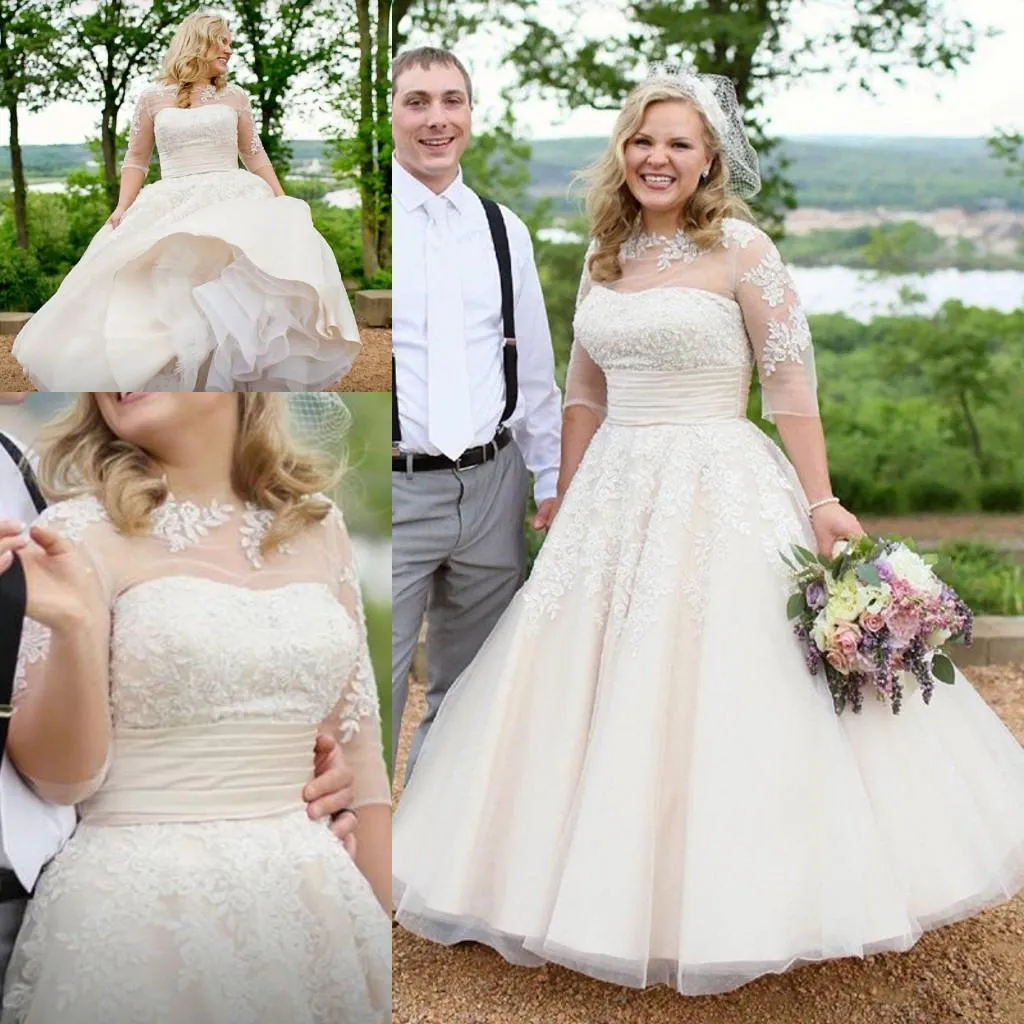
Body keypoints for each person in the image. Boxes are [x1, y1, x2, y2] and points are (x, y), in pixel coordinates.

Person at [392, 69, 1024, 996]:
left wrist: (821, 502)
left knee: (731, 688)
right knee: (583, 689)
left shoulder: (743, 249)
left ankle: (749, 896)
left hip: (720, 481)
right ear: (623, 152)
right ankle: (572, 884)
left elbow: (791, 387)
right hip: (612, 491)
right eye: (644, 141)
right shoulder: (605, 252)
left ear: (708, 159)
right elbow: (582, 390)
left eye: (679, 143)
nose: (658, 157)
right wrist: (565, 496)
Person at [0, 394, 390, 1022]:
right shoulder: (76, 532)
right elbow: (59, 778)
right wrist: (73, 626)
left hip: (317, 906)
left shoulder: (320, 526)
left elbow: (362, 760)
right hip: (136, 917)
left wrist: (380, 926)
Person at [12, 12, 360, 393]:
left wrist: (281, 200)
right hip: (171, 200)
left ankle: (225, 385)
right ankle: (177, 384)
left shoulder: (235, 97)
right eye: (223, 41)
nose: (230, 49)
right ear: (199, 41)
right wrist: (122, 207)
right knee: (165, 295)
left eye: (230, 42)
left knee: (231, 296)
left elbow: (255, 155)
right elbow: (137, 160)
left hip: (232, 202)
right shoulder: (151, 98)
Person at [390, 47, 562, 778]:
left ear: (470, 113)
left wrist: (550, 479)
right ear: (392, 114)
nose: (437, 119)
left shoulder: (503, 229)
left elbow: (536, 368)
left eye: (451, 101)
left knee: (473, 696)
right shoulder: (373, 231)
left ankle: (427, 867)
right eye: (418, 101)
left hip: (494, 486)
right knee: (371, 690)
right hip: (391, 487)